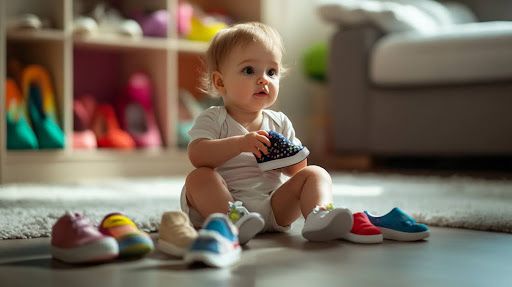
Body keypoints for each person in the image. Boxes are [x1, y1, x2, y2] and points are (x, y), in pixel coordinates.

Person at [180, 22, 353, 244]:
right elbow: (198, 155)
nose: (263, 79)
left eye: (272, 72)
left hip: (274, 206)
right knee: (198, 178)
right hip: (227, 205)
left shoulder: (279, 121)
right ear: (220, 82)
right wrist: (240, 144)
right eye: (249, 70)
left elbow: (297, 169)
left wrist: (285, 159)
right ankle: (232, 221)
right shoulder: (213, 117)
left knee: (316, 174)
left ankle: (319, 215)